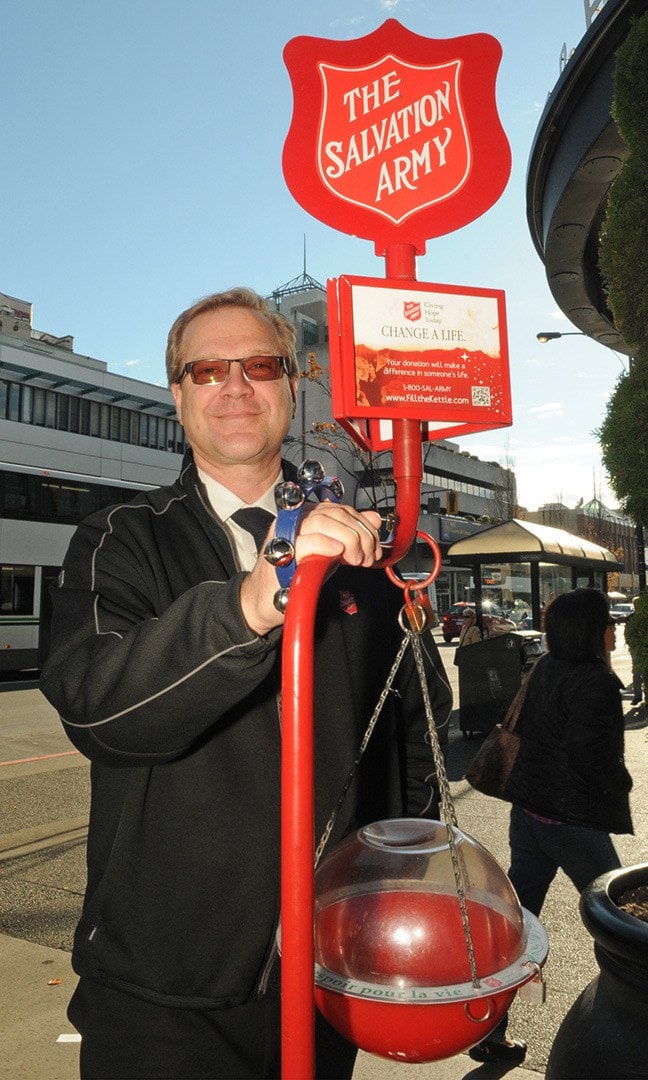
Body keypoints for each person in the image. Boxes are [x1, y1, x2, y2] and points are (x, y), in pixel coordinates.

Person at [40, 287, 453, 1080]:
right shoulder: (119, 541)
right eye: (206, 370)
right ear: (178, 396)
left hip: (325, 976)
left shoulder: (364, 550)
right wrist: (251, 602)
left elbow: (411, 739)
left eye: (260, 365)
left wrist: (400, 890)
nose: (235, 386)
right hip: (161, 996)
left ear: (293, 387)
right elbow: (98, 711)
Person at [469, 587, 633, 1065]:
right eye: (608, 620)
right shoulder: (594, 682)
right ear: (591, 629)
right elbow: (589, 754)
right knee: (624, 918)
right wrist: (619, 780)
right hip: (571, 821)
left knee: (519, 925)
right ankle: (631, 1023)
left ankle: (488, 1028)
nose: (615, 628)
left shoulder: (546, 667)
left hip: (530, 815)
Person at [627, 595, 645, 705]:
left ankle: (638, 696)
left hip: (638, 649)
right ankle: (638, 696)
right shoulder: (632, 618)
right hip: (637, 649)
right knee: (637, 672)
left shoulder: (632, 618)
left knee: (637, 673)